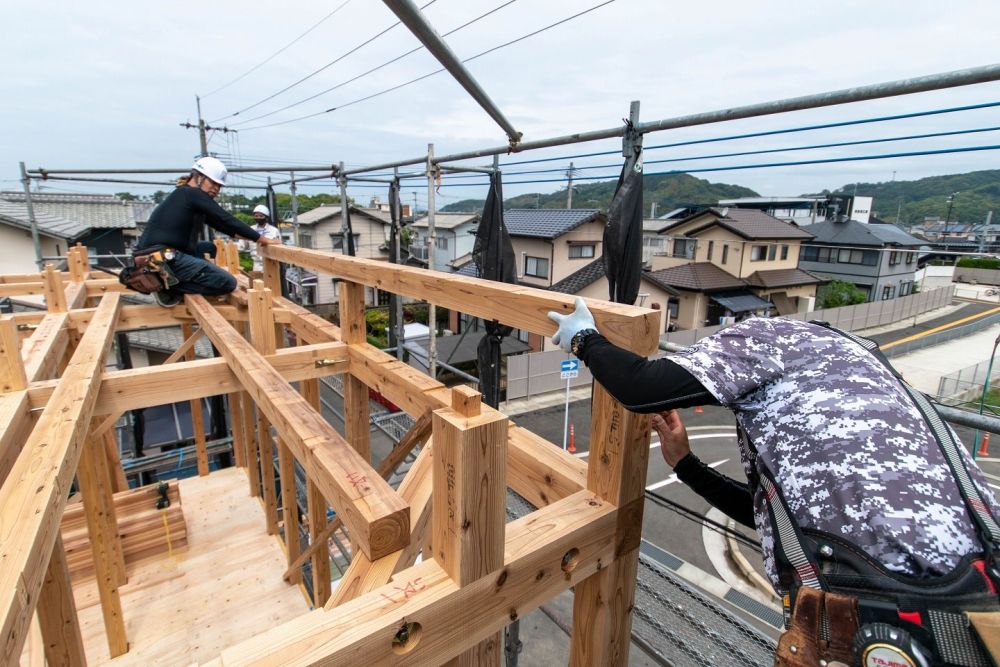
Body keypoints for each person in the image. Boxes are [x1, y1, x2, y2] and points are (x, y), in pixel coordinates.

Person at [548, 297, 1000, 667]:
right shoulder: (858, 364)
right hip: (977, 601)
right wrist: (686, 464)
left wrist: (584, 340)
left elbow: (642, 388)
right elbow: (778, 521)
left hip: (894, 614)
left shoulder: (762, 339)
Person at [133, 157, 279, 306]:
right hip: (160, 257)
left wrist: (253, 238)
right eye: (213, 183)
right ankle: (168, 288)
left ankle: (179, 278)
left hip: (160, 254)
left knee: (208, 247)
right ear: (198, 177)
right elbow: (226, 218)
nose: (216, 188)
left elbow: (225, 227)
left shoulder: (188, 198)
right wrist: (263, 239)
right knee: (227, 282)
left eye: (219, 185)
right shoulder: (192, 194)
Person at [241, 204, 282, 272]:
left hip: (272, 263)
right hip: (257, 265)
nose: (258, 218)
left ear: (266, 217)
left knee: (272, 282)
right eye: (256, 216)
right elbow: (242, 245)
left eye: (261, 216)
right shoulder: (250, 230)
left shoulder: (274, 230)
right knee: (258, 282)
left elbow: (279, 246)